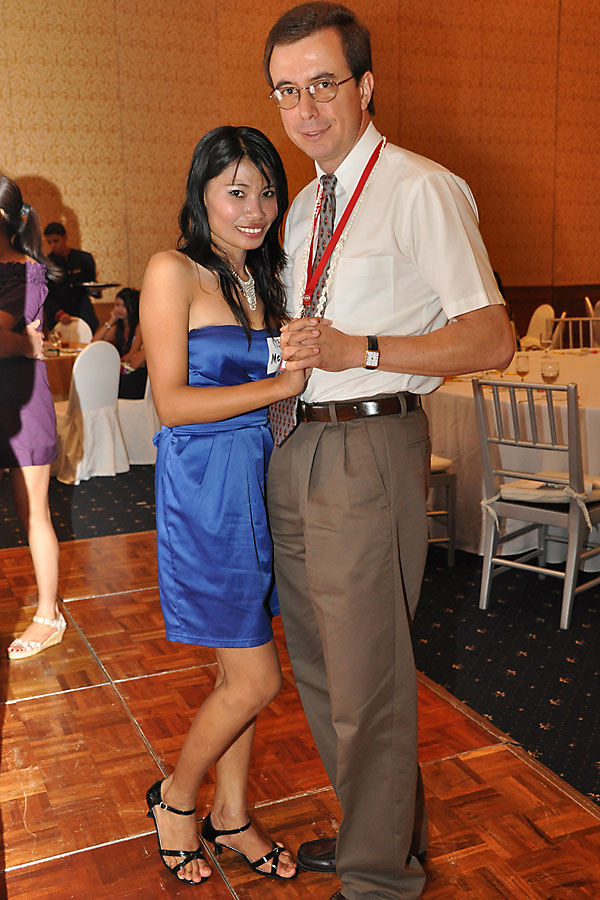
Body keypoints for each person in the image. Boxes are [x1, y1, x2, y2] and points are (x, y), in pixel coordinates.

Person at [262, 5, 515, 900]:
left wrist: (360, 350)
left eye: (322, 84)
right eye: (286, 91)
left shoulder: (419, 188)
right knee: (323, 667)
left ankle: (378, 880)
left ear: (365, 86)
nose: (304, 109)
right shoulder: (302, 208)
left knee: (368, 674)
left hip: (369, 443)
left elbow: (492, 337)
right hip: (295, 445)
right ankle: (376, 836)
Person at [140, 125, 309, 886]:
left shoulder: (262, 280)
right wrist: (278, 384)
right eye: (236, 191)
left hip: (261, 481)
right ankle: (176, 799)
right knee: (256, 679)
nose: (256, 209)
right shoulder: (172, 270)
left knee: (239, 663)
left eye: (267, 192)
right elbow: (172, 403)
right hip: (205, 486)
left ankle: (233, 813)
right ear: (201, 193)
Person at [0, 175, 66, 660]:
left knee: (33, 514)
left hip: (22, 407)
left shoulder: (23, 272)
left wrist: (20, 344)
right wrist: (22, 343)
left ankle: (48, 615)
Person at [43, 222, 99, 333]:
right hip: (59, 317)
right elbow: (45, 295)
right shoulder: (46, 265)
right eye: (49, 242)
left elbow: (92, 285)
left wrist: (95, 290)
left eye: (55, 241)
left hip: (83, 314)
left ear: (65, 238)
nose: (53, 245)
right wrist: (58, 313)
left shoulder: (84, 259)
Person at [93, 287, 148, 398]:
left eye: (124, 306)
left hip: (136, 373)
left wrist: (113, 365)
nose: (119, 309)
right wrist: (111, 321)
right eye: (117, 305)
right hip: (123, 368)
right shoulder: (119, 327)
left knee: (106, 382)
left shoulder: (139, 326)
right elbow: (95, 341)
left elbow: (131, 354)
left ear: (132, 307)